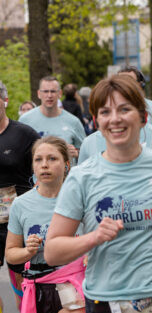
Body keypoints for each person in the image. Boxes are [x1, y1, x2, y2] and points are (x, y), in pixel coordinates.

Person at [44, 75, 152, 313]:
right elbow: (52, 252)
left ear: (143, 117)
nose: (115, 119)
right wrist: (94, 237)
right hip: (107, 300)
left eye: (124, 109)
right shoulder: (82, 177)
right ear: (95, 121)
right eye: (105, 112)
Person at [5, 136, 85, 313]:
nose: (44, 165)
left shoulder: (79, 199)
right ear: (33, 166)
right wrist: (27, 251)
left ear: (66, 165)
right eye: (38, 159)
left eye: (52, 158)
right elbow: (10, 254)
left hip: (74, 283)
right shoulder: (21, 204)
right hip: (40, 286)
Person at [0, 81, 41, 311]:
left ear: (4, 100)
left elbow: (46, 160)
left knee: (21, 284)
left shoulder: (23, 134)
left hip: (17, 220)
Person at [19, 76, 86, 162]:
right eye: (46, 91)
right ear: (39, 94)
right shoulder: (25, 120)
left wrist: (77, 154)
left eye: (53, 91)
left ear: (60, 93)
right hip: (35, 175)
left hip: (67, 175)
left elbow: (86, 154)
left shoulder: (73, 122)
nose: (49, 95)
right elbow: (18, 153)